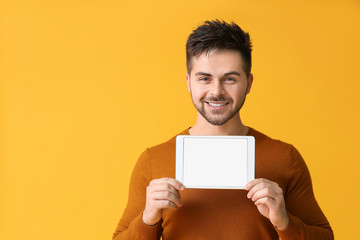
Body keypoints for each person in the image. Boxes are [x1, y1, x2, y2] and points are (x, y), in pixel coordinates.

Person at [112, 20, 334, 239]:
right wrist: (147, 219)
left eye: (229, 78)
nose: (216, 91)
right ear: (189, 82)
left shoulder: (285, 158)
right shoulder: (153, 161)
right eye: (204, 78)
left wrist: (284, 222)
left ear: (249, 83)